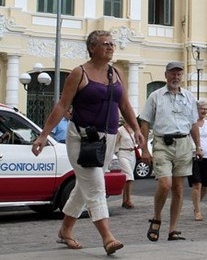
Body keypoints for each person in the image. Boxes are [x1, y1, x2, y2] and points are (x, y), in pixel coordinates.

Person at [31, 30, 143, 255]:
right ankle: (107, 237)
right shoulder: (79, 73)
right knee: (96, 187)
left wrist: (136, 129)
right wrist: (44, 135)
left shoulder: (116, 73)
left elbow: (125, 105)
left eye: (112, 44)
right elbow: (62, 106)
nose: (111, 47)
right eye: (105, 44)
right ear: (92, 48)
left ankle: (65, 230)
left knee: (84, 188)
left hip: (108, 138)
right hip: (81, 139)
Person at [139, 61, 200, 242]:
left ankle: (173, 229)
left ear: (182, 76)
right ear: (166, 75)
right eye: (172, 73)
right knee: (165, 184)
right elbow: (145, 122)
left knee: (179, 189)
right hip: (162, 144)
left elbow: (194, 124)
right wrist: (144, 149)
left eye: (179, 74)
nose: (176, 77)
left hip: (183, 144)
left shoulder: (189, 97)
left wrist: (198, 147)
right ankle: (157, 218)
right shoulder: (155, 96)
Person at [188, 98, 207, 221]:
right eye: (202, 108)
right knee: (197, 184)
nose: (204, 111)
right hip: (193, 156)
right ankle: (198, 211)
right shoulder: (191, 122)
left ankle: (196, 205)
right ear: (197, 109)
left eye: (206, 109)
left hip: (206, 156)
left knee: (205, 185)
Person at [115, 118, 137, 209]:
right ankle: (128, 199)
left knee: (127, 178)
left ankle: (124, 201)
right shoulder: (120, 130)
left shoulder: (135, 129)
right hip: (123, 154)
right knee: (129, 177)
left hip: (132, 154)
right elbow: (115, 143)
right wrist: (116, 153)